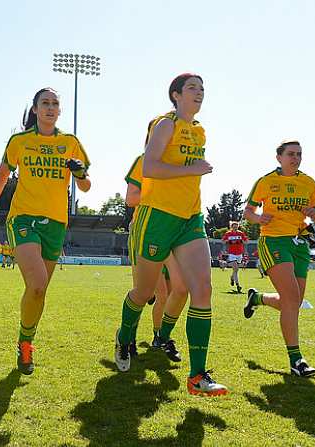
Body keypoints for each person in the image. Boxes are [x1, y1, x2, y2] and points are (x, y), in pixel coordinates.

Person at [113, 74, 228, 396]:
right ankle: (125, 336)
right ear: (176, 95)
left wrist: (193, 173)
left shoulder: (200, 130)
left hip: (191, 218)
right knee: (144, 291)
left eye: (203, 88)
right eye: (193, 88)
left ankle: (197, 376)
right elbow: (149, 168)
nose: (200, 93)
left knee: (202, 288)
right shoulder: (165, 124)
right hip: (157, 217)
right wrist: (192, 169)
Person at [0, 87, 91, 375]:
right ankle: (26, 345)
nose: (50, 108)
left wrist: (79, 173)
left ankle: (25, 340)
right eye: (45, 103)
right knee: (38, 284)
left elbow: (86, 185)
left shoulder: (70, 142)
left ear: (60, 110)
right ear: (35, 108)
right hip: (23, 219)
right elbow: (3, 173)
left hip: (56, 223)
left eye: (55, 103)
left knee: (39, 292)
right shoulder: (20, 141)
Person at [243, 139, 315, 378]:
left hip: (300, 244)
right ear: (279, 157)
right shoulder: (266, 182)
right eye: (291, 154)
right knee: (291, 299)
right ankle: (296, 359)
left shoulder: (308, 182)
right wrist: (259, 219)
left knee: (293, 302)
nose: (296, 158)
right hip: (273, 242)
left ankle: (257, 298)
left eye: (299, 154)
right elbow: (248, 212)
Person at [124, 152, 188, 359]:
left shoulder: (181, 161)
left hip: (173, 232)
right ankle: (129, 338)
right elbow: (130, 198)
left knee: (174, 292)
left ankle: (160, 337)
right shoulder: (144, 160)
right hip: (146, 231)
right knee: (149, 293)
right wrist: (157, 194)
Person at [222, 221, 249, 292]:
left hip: (239, 253)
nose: (235, 227)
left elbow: (246, 242)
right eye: (234, 226)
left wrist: (241, 241)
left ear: (238, 226)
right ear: (231, 226)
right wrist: (230, 241)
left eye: (236, 226)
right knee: (236, 268)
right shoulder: (228, 233)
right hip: (232, 253)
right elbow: (223, 241)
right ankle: (238, 285)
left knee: (235, 270)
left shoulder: (241, 233)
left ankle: (232, 277)